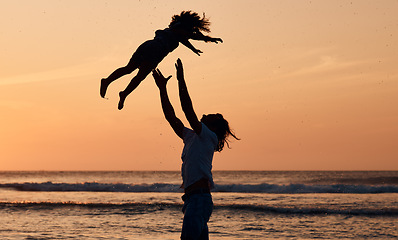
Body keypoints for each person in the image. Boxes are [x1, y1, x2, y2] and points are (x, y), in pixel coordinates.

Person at [152, 58, 239, 240]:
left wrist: (180, 79)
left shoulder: (209, 136)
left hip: (199, 201)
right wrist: (162, 89)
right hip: (193, 200)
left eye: (211, 116)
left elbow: (187, 109)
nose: (205, 114)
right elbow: (171, 117)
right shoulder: (192, 137)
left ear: (214, 127)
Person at [100, 10, 223, 110]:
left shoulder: (175, 27)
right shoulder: (180, 30)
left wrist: (209, 40)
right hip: (156, 50)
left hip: (148, 45)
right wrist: (194, 48)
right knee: (138, 75)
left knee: (130, 70)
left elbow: (193, 36)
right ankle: (120, 91)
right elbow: (185, 38)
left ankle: (113, 85)